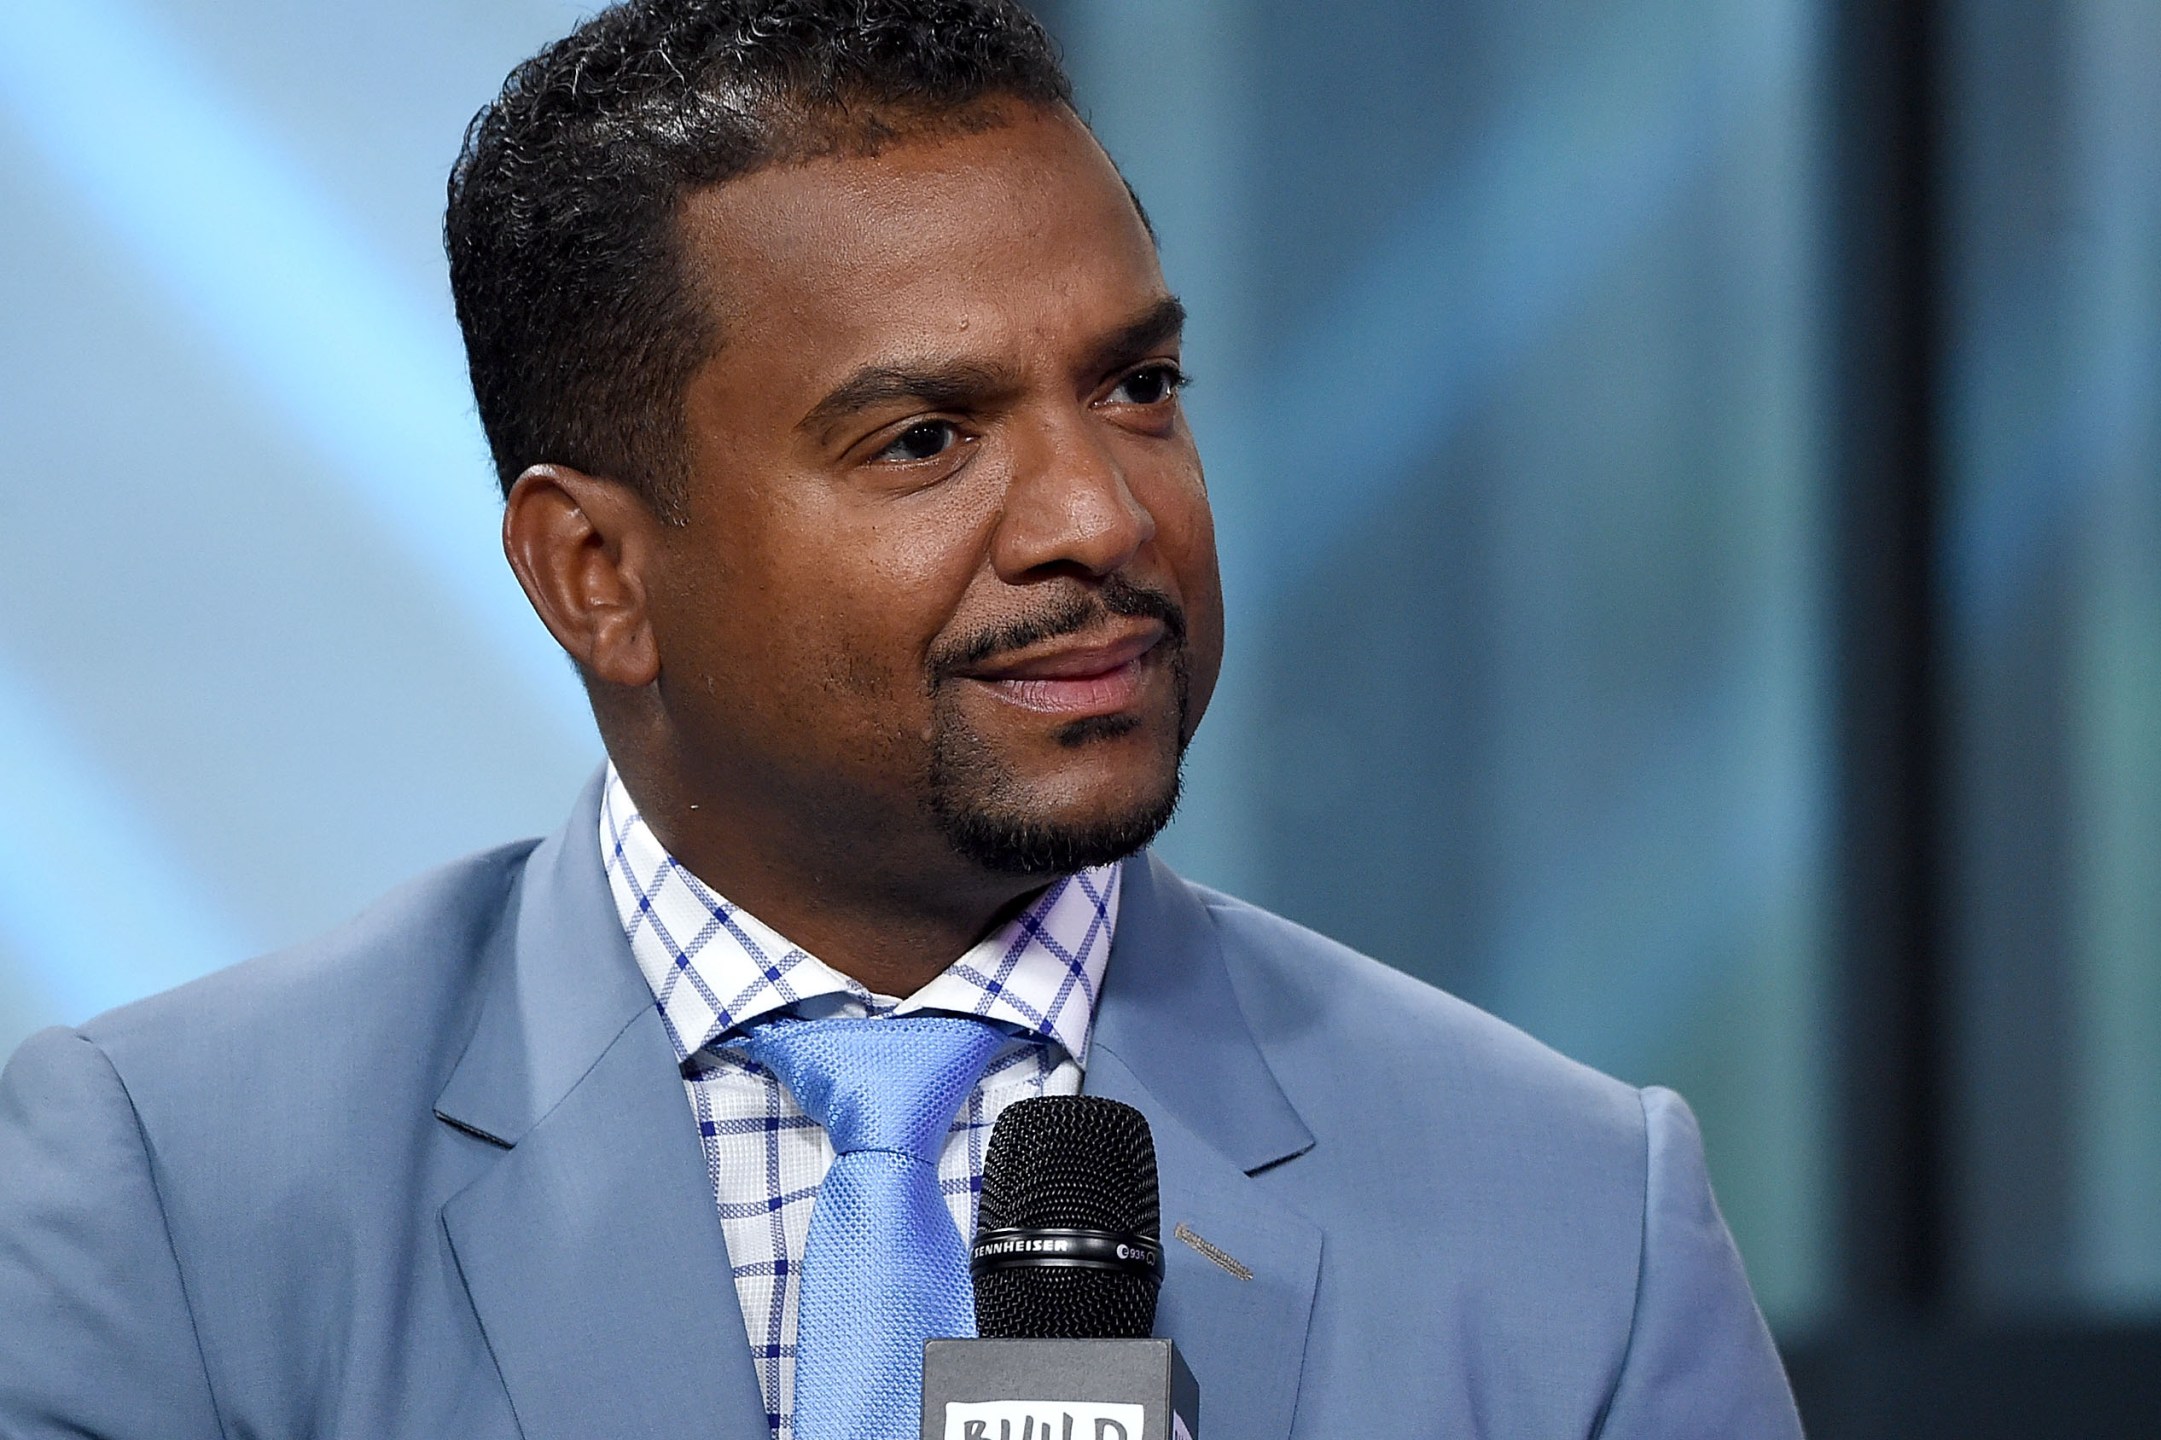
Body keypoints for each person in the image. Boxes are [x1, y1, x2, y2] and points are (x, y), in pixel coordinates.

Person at [0, 3, 1798, 1437]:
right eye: (925, 439)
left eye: (1139, 386)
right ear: (594, 574)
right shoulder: (167, 1195)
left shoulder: (1574, 1224)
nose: (1101, 516)